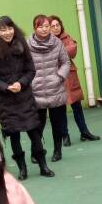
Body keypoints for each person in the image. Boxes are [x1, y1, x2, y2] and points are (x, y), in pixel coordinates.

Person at [0, 16, 52, 179]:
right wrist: (6, 87)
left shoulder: (22, 46)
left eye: (10, 28)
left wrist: (21, 83)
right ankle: (22, 169)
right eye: (3, 30)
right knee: (14, 135)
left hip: (25, 97)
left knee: (34, 132)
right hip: (6, 101)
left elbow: (31, 70)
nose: (7, 32)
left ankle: (43, 165)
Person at [49, 15, 99, 144]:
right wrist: (61, 52)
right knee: (61, 109)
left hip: (70, 76)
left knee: (77, 106)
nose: (56, 28)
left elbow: (73, 51)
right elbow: (48, 56)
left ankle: (84, 132)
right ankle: (65, 136)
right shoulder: (47, 41)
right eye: (53, 26)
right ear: (49, 28)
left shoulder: (66, 37)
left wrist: (57, 53)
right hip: (57, 77)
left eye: (57, 25)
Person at [27, 14, 70, 162]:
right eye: (40, 26)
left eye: (47, 26)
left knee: (57, 124)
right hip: (36, 91)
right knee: (37, 126)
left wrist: (59, 77)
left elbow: (65, 62)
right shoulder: (27, 45)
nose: (44, 29)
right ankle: (36, 152)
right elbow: (23, 66)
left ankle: (57, 151)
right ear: (35, 28)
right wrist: (30, 81)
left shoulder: (57, 43)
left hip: (55, 90)